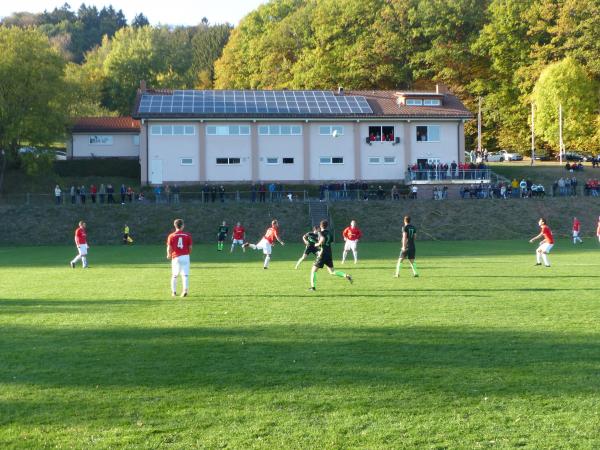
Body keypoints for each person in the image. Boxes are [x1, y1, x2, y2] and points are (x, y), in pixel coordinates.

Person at [309, 220, 353, 291]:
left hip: (322, 254)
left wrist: (317, 244)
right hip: (329, 253)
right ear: (327, 226)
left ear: (320, 226)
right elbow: (330, 242)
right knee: (332, 271)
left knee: (313, 271)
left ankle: (313, 287)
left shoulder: (321, 233)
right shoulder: (330, 233)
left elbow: (322, 239)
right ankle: (346, 276)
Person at [166, 218, 193, 297]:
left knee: (174, 275)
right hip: (185, 256)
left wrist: (168, 254)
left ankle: (173, 292)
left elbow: (169, 247)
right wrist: (189, 253)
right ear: (182, 226)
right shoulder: (187, 235)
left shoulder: (171, 235)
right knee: (185, 275)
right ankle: (185, 291)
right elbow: (190, 247)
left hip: (176, 257)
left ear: (175, 225)